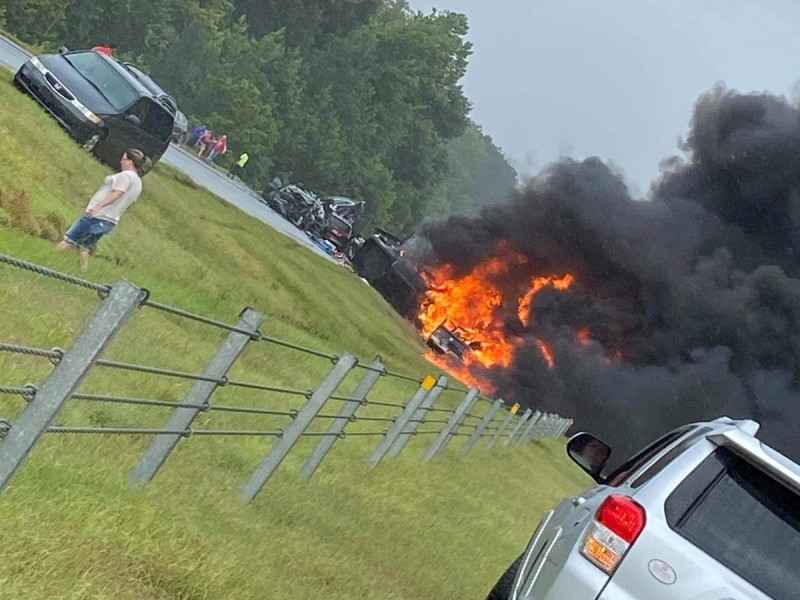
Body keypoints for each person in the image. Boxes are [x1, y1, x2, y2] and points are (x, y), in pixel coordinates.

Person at [56, 149, 151, 271]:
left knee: (69, 239)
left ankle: (44, 261)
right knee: (84, 246)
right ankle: (82, 271)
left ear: (130, 162)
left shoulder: (125, 176)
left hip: (97, 216)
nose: (121, 161)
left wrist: (97, 207)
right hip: (110, 220)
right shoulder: (138, 183)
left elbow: (117, 193)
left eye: (124, 159)